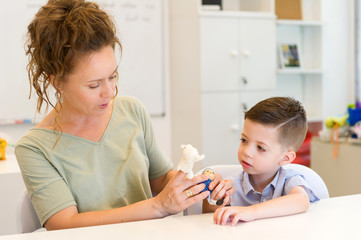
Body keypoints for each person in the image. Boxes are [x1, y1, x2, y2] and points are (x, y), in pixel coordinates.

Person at [15, 0, 232, 230]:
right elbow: (64, 224)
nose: (110, 92)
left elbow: (162, 179)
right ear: (58, 82)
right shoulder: (34, 148)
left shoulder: (132, 111)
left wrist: (199, 186)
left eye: (113, 76)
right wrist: (158, 206)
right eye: (94, 85)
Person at [203, 97, 320, 226]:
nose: (247, 152)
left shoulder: (289, 180)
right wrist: (214, 198)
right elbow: (210, 223)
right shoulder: (232, 186)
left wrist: (252, 211)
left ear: (285, 158)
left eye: (260, 148)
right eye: (244, 140)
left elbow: (301, 201)